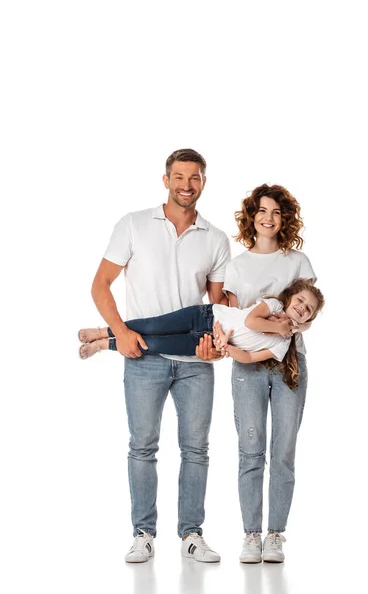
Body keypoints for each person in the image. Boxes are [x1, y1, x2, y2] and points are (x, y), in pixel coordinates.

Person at [90, 149, 231, 563]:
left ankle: (191, 533)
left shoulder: (216, 238)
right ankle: (143, 533)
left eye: (195, 178)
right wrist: (119, 331)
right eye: (179, 176)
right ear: (166, 179)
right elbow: (101, 284)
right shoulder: (133, 225)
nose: (186, 185)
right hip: (143, 359)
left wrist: (217, 348)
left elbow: (216, 309)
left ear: (203, 182)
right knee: (142, 446)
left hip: (195, 364)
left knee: (196, 450)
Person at [222, 183, 318, 564]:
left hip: (290, 365)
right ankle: (250, 534)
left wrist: (290, 330)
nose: (268, 218)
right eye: (262, 210)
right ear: (251, 215)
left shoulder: (298, 261)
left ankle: (275, 534)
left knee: (283, 451)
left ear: (285, 219)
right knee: (250, 449)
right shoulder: (236, 265)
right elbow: (230, 315)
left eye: (277, 212)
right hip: (246, 363)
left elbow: (309, 314)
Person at [78, 279, 324, 391]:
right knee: (152, 326)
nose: (302, 307)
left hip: (206, 341)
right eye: (301, 300)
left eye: (308, 309)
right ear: (290, 296)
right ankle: (102, 331)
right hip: (206, 316)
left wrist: (227, 348)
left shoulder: (283, 345)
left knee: (152, 344)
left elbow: (248, 358)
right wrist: (279, 327)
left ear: (308, 319)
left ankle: (103, 345)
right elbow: (251, 321)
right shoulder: (273, 306)